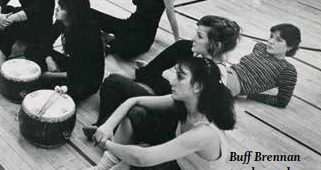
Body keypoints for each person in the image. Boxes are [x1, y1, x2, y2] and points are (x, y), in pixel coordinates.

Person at [70, 56, 235, 170]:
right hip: (176, 164)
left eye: (179, 77)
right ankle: (103, 168)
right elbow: (134, 101)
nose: (172, 81)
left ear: (197, 86)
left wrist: (107, 144)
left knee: (141, 158)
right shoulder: (188, 101)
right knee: (137, 115)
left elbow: (142, 158)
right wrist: (107, 126)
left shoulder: (205, 132)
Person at [94, 15, 240, 126]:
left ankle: (104, 126)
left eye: (200, 36)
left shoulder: (213, 74)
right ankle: (142, 75)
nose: (194, 38)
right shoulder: (191, 50)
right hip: (176, 96)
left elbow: (178, 105)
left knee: (113, 82)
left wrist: (136, 98)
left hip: (177, 116)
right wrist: (148, 71)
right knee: (154, 69)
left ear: (217, 45)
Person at [25, 0, 104, 103]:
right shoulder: (63, 21)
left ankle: (50, 81)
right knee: (32, 50)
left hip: (86, 78)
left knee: (63, 92)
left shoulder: (86, 34)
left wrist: (51, 75)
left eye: (61, 8)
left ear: (73, 13)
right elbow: (46, 41)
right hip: (73, 65)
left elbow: (80, 72)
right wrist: (49, 59)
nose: (56, 9)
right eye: (58, 6)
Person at [228, 23, 301, 108]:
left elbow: (281, 101)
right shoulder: (260, 47)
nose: (270, 41)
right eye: (271, 36)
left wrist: (249, 96)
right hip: (226, 71)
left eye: (278, 40)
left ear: (290, 47)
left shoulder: (287, 69)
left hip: (232, 84)